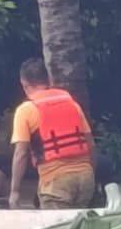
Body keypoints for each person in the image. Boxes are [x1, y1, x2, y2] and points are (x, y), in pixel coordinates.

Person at [9, 58, 95, 209]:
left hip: (56, 183)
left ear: (24, 84)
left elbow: (21, 154)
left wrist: (15, 192)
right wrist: (91, 175)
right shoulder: (72, 104)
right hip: (86, 179)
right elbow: (91, 146)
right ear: (48, 79)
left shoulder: (26, 110)